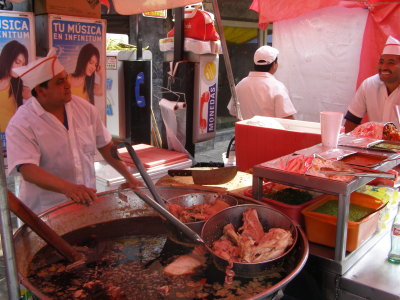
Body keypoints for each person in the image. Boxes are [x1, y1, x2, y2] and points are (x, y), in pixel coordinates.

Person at [6, 48, 141, 213]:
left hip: (86, 203)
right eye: (59, 82)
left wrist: (130, 177)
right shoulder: (21, 123)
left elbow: (106, 147)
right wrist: (70, 189)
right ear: (41, 91)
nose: (67, 85)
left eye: (66, 78)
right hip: (45, 211)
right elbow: (28, 170)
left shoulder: (85, 109)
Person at [344, 35, 400, 132]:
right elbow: (351, 122)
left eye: (391, 62)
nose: (383, 67)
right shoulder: (369, 85)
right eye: (381, 62)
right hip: (373, 145)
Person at [227, 45, 297, 120]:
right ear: (274, 65)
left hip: (244, 131)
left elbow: (233, 112)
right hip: (268, 131)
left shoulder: (240, 85)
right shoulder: (277, 87)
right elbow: (288, 119)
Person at [0, 40, 31, 133]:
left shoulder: (18, 86)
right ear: (8, 58)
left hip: (10, 137)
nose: (20, 67)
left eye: (23, 64)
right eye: (18, 62)